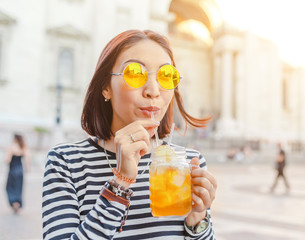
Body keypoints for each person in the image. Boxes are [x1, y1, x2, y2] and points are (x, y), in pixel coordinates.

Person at [42, 30, 217, 239]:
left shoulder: (189, 163)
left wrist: (198, 220)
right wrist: (121, 183)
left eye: (166, 76)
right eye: (135, 73)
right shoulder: (66, 162)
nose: (153, 90)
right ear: (106, 87)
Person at [5, 133, 31, 213]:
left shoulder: (11, 147)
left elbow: (7, 160)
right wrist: (28, 168)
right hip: (20, 170)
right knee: (18, 188)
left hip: (12, 170)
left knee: (9, 187)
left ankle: (14, 202)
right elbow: (28, 159)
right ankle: (17, 203)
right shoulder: (24, 147)